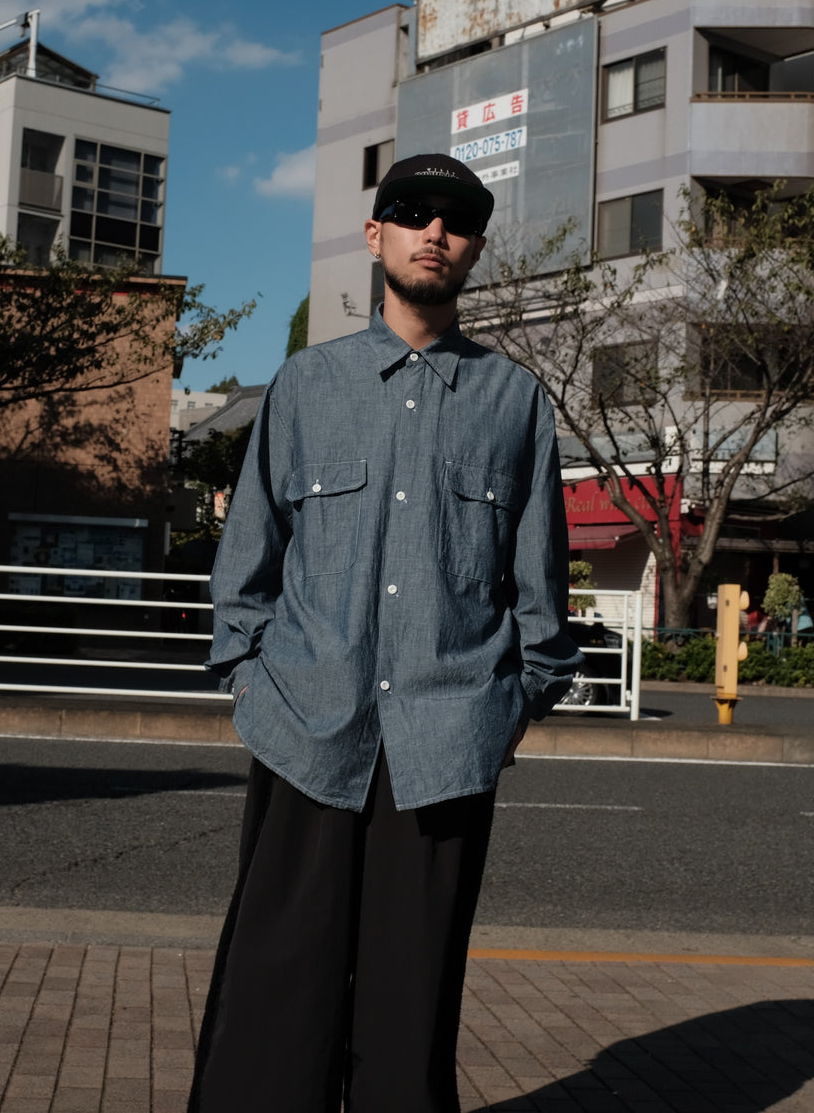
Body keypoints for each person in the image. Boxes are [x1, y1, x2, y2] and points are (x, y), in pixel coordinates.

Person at [189, 153, 583, 1113]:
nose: (434, 231)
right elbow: (247, 565)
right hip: (305, 727)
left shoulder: (516, 402)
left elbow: (540, 596)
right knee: (278, 986)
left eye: (458, 218)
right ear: (377, 237)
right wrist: (249, 679)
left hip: (445, 745)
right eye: (412, 212)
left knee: (411, 1007)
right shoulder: (305, 385)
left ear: (477, 248)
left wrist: (503, 714)